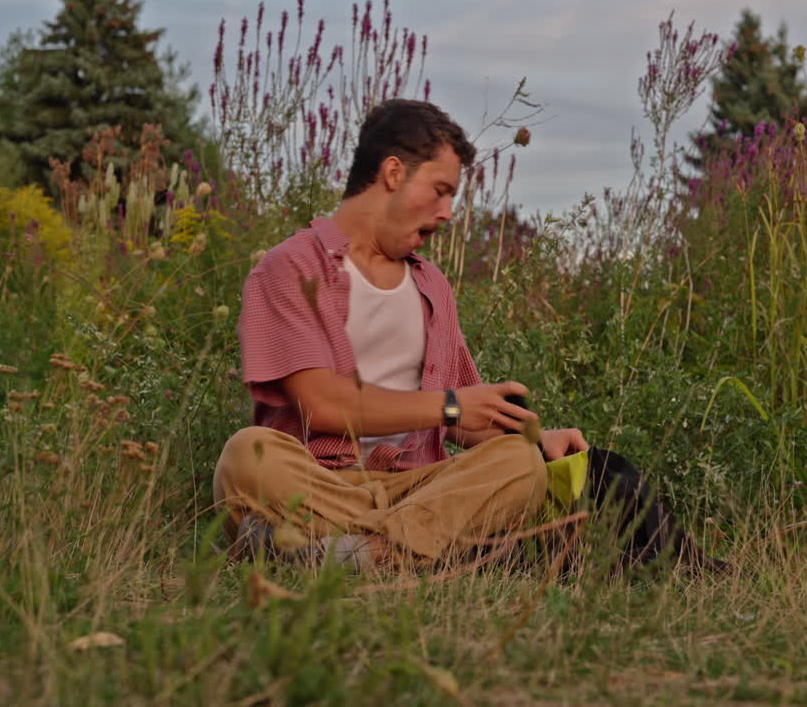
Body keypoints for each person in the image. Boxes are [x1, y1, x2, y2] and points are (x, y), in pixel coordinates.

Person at [214, 99, 716, 572]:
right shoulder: (291, 268)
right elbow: (320, 405)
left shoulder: (432, 286)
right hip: (319, 480)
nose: (448, 211)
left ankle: (352, 551)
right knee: (247, 454)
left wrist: (538, 442)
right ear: (393, 174)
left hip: (420, 486)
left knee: (517, 462)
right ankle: (417, 548)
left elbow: (466, 419)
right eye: (441, 190)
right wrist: (449, 407)